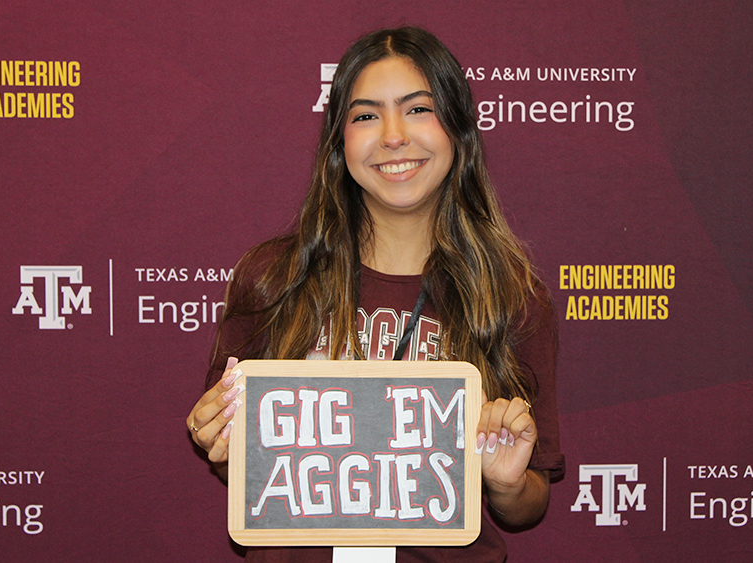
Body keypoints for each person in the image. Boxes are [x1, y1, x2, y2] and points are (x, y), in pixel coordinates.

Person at [187, 26, 562, 563]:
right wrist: (222, 446)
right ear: (339, 142)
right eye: (365, 115)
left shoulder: (508, 295)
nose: (392, 137)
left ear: (458, 128)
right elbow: (250, 473)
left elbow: (528, 502)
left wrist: (504, 483)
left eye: (417, 109)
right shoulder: (274, 277)